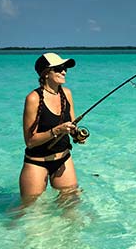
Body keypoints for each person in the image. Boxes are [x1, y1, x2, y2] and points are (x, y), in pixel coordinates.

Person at [19, 52, 87, 205]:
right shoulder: (33, 98)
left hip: (63, 159)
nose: (63, 71)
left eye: (65, 68)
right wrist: (57, 130)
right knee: (29, 211)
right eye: (58, 68)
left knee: (72, 205)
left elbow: (71, 127)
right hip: (36, 162)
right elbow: (30, 141)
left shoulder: (67, 94)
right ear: (45, 74)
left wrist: (77, 135)